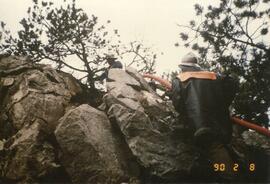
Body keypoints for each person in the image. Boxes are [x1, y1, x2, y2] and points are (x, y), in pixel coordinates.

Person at [171, 52, 239, 181]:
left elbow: (178, 104)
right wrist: (222, 105)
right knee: (217, 147)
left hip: (200, 124)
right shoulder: (213, 76)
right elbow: (232, 83)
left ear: (184, 67)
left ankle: (230, 178)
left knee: (214, 148)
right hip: (219, 123)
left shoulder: (179, 79)